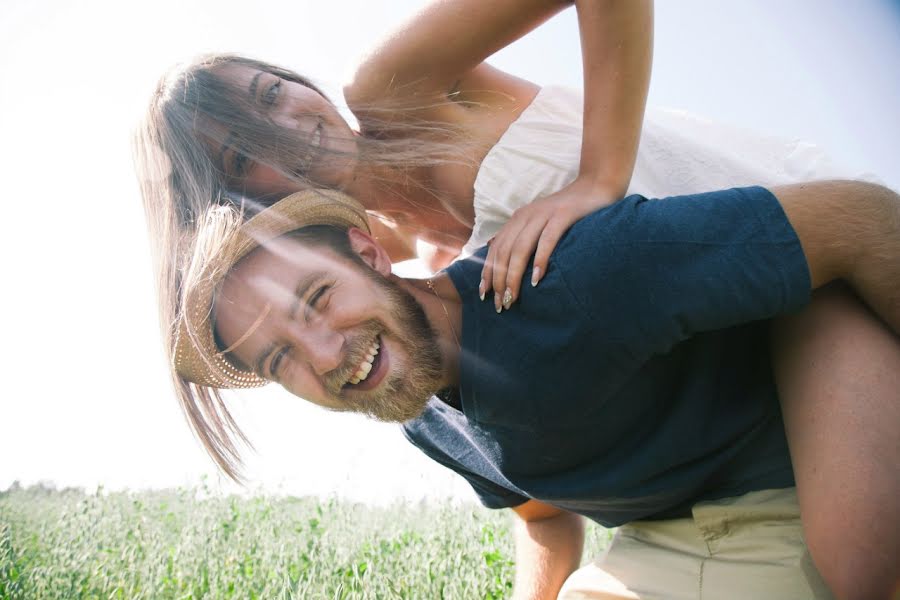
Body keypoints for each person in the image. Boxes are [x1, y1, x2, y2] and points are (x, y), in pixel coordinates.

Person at [133, 1, 898, 597]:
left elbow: (844, 226)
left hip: (797, 238)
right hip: (740, 348)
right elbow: (532, 482)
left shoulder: (395, 94)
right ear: (240, 196)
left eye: (273, 94)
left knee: (856, 556)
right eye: (243, 154)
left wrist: (599, 176)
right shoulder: (403, 274)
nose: (285, 131)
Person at [173, 181, 900, 600]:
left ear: (369, 255)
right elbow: (544, 518)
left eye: (319, 297)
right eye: (280, 359)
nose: (326, 355)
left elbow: (865, 218)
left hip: (797, 476)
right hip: (671, 539)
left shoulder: (580, 277)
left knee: (864, 563)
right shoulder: (422, 417)